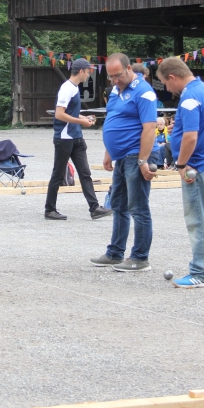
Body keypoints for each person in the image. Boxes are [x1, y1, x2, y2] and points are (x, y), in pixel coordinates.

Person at [157, 57, 204, 289]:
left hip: (199, 166)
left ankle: (200, 273)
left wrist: (181, 164)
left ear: (173, 77)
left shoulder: (188, 98)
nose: (167, 89)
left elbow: (191, 137)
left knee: (197, 220)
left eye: (166, 84)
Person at [91, 53, 157, 272]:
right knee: (118, 205)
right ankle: (115, 253)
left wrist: (143, 160)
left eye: (118, 75)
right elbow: (113, 120)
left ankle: (140, 257)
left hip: (135, 155)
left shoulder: (144, 92)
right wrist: (109, 151)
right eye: (111, 77)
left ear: (130, 69)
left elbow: (150, 128)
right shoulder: (115, 92)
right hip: (121, 157)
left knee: (138, 207)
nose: (114, 80)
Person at [44, 59, 112, 221]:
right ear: (81, 71)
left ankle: (94, 208)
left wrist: (84, 117)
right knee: (58, 174)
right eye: (88, 72)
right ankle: (49, 209)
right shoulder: (67, 88)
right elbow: (59, 114)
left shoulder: (73, 88)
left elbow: (71, 113)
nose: (89, 75)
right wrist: (81, 122)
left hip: (76, 137)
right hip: (65, 137)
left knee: (85, 173)